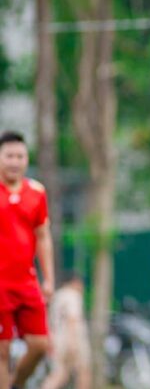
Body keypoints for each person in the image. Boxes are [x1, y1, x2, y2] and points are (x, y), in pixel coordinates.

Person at [0, 130, 55, 389]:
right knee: (2, 349)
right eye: (9, 155)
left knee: (40, 345)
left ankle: (17, 384)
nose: (14, 161)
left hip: (27, 282)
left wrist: (49, 279)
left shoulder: (36, 193)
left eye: (19, 156)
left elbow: (43, 236)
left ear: (26, 159)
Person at [41, 272, 91, 389]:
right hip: (72, 339)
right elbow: (72, 319)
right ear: (75, 283)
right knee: (84, 372)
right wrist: (73, 343)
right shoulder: (73, 295)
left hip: (57, 339)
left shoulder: (57, 296)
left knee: (60, 374)